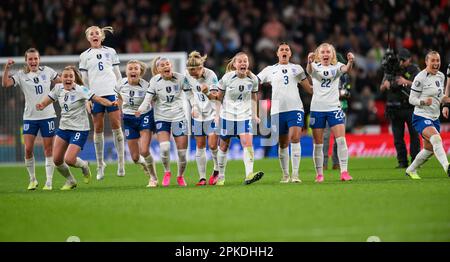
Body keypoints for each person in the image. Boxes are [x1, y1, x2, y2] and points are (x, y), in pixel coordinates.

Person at [36, 66, 118, 190]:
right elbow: (47, 101)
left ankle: (84, 166)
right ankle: (70, 180)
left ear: (74, 79)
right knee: (57, 160)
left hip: (80, 129)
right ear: (61, 78)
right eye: (65, 76)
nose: (68, 78)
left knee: (69, 159)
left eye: (70, 76)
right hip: (64, 128)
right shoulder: (58, 88)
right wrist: (41, 105)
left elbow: (98, 99)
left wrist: (111, 103)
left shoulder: (81, 90)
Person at [2, 48, 61, 190]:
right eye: (30, 59)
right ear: (26, 61)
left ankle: (49, 181)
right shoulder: (21, 75)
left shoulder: (48, 71)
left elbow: (61, 83)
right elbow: (5, 84)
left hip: (48, 116)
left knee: (48, 150)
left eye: (35, 58)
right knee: (28, 149)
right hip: (30, 117)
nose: (33, 61)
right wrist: (6, 68)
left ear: (39, 59)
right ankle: (32, 179)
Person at [257, 42, 312, 183]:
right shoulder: (270, 70)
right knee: (282, 144)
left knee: (294, 138)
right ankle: (285, 175)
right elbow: (255, 81)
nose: (284, 51)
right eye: (282, 49)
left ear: (290, 54)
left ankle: (295, 175)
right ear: (277, 53)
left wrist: (325, 90)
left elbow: (309, 89)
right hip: (277, 111)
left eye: (287, 49)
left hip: (295, 109)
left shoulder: (297, 68)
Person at [136, 57, 195, 187]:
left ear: (171, 66)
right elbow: (147, 99)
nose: (165, 66)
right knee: (164, 147)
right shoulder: (154, 81)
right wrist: (140, 109)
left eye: (167, 64)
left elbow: (190, 95)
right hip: (162, 117)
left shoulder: (180, 78)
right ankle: (167, 172)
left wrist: (194, 107)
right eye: (162, 65)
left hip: (179, 117)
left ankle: (180, 176)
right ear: (158, 69)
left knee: (182, 154)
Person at [79, 26, 125, 180]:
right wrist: (87, 99)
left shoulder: (111, 52)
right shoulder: (84, 56)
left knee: (116, 126)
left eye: (97, 33)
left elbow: (118, 74)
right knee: (97, 129)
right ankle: (100, 164)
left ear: (102, 36)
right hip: (95, 96)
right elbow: (84, 81)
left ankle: (121, 163)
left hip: (111, 93)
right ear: (88, 38)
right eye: (91, 33)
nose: (94, 35)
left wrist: (120, 94)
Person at [306, 43, 354, 183]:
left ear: (332, 54)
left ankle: (344, 172)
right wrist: (309, 61)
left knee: (341, 140)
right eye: (323, 52)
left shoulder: (337, 66)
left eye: (328, 52)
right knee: (318, 144)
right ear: (318, 55)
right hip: (317, 109)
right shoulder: (314, 66)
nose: (325, 54)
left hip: (334, 108)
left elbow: (346, 69)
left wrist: (350, 61)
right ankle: (319, 174)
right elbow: (309, 70)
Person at [216, 52, 264, 186]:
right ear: (235, 64)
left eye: (245, 61)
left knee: (247, 143)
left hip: (244, 116)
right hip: (227, 116)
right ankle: (221, 176)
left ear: (248, 63)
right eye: (240, 61)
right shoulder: (227, 78)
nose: (243, 63)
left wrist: (254, 114)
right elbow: (219, 98)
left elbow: (254, 98)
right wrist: (216, 115)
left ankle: (249, 174)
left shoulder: (253, 79)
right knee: (224, 146)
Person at [405, 51, 450, 179]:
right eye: (433, 61)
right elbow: (411, 99)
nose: (436, 63)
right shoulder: (420, 78)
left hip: (434, 118)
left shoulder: (440, 76)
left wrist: (447, 101)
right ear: (426, 62)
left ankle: (411, 170)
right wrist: (423, 101)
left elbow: (440, 96)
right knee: (436, 138)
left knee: (429, 149)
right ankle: (447, 167)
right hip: (421, 116)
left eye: (438, 60)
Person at [115, 60, 158, 187]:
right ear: (126, 71)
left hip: (145, 116)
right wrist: (119, 110)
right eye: (130, 68)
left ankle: (153, 178)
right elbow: (119, 97)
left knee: (144, 150)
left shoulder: (146, 86)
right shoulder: (120, 84)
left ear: (140, 72)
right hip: (128, 119)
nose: (133, 70)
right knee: (134, 157)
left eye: (136, 68)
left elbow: (154, 100)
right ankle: (144, 164)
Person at [380, 48, 420, 168]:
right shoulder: (391, 68)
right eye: (400, 60)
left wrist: (405, 81)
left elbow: (420, 86)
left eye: (404, 60)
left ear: (410, 59)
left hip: (410, 107)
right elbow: (381, 87)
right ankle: (402, 162)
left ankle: (415, 161)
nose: (402, 62)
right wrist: (385, 85)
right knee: (398, 137)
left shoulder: (415, 69)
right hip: (395, 107)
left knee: (414, 135)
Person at [185, 51, 221, 186]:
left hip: (212, 113)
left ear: (201, 68)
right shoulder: (187, 76)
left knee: (212, 145)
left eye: (194, 72)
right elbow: (188, 93)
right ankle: (202, 178)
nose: (191, 74)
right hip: (198, 115)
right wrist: (193, 106)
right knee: (200, 145)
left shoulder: (211, 75)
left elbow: (216, 97)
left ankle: (217, 170)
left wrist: (207, 92)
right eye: (190, 72)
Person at [323, 53, 351, 170]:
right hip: (327, 108)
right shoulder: (326, 74)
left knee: (338, 138)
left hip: (341, 108)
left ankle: (336, 162)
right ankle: (323, 163)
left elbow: (348, 92)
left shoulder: (345, 77)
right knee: (325, 137)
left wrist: (343, 93)